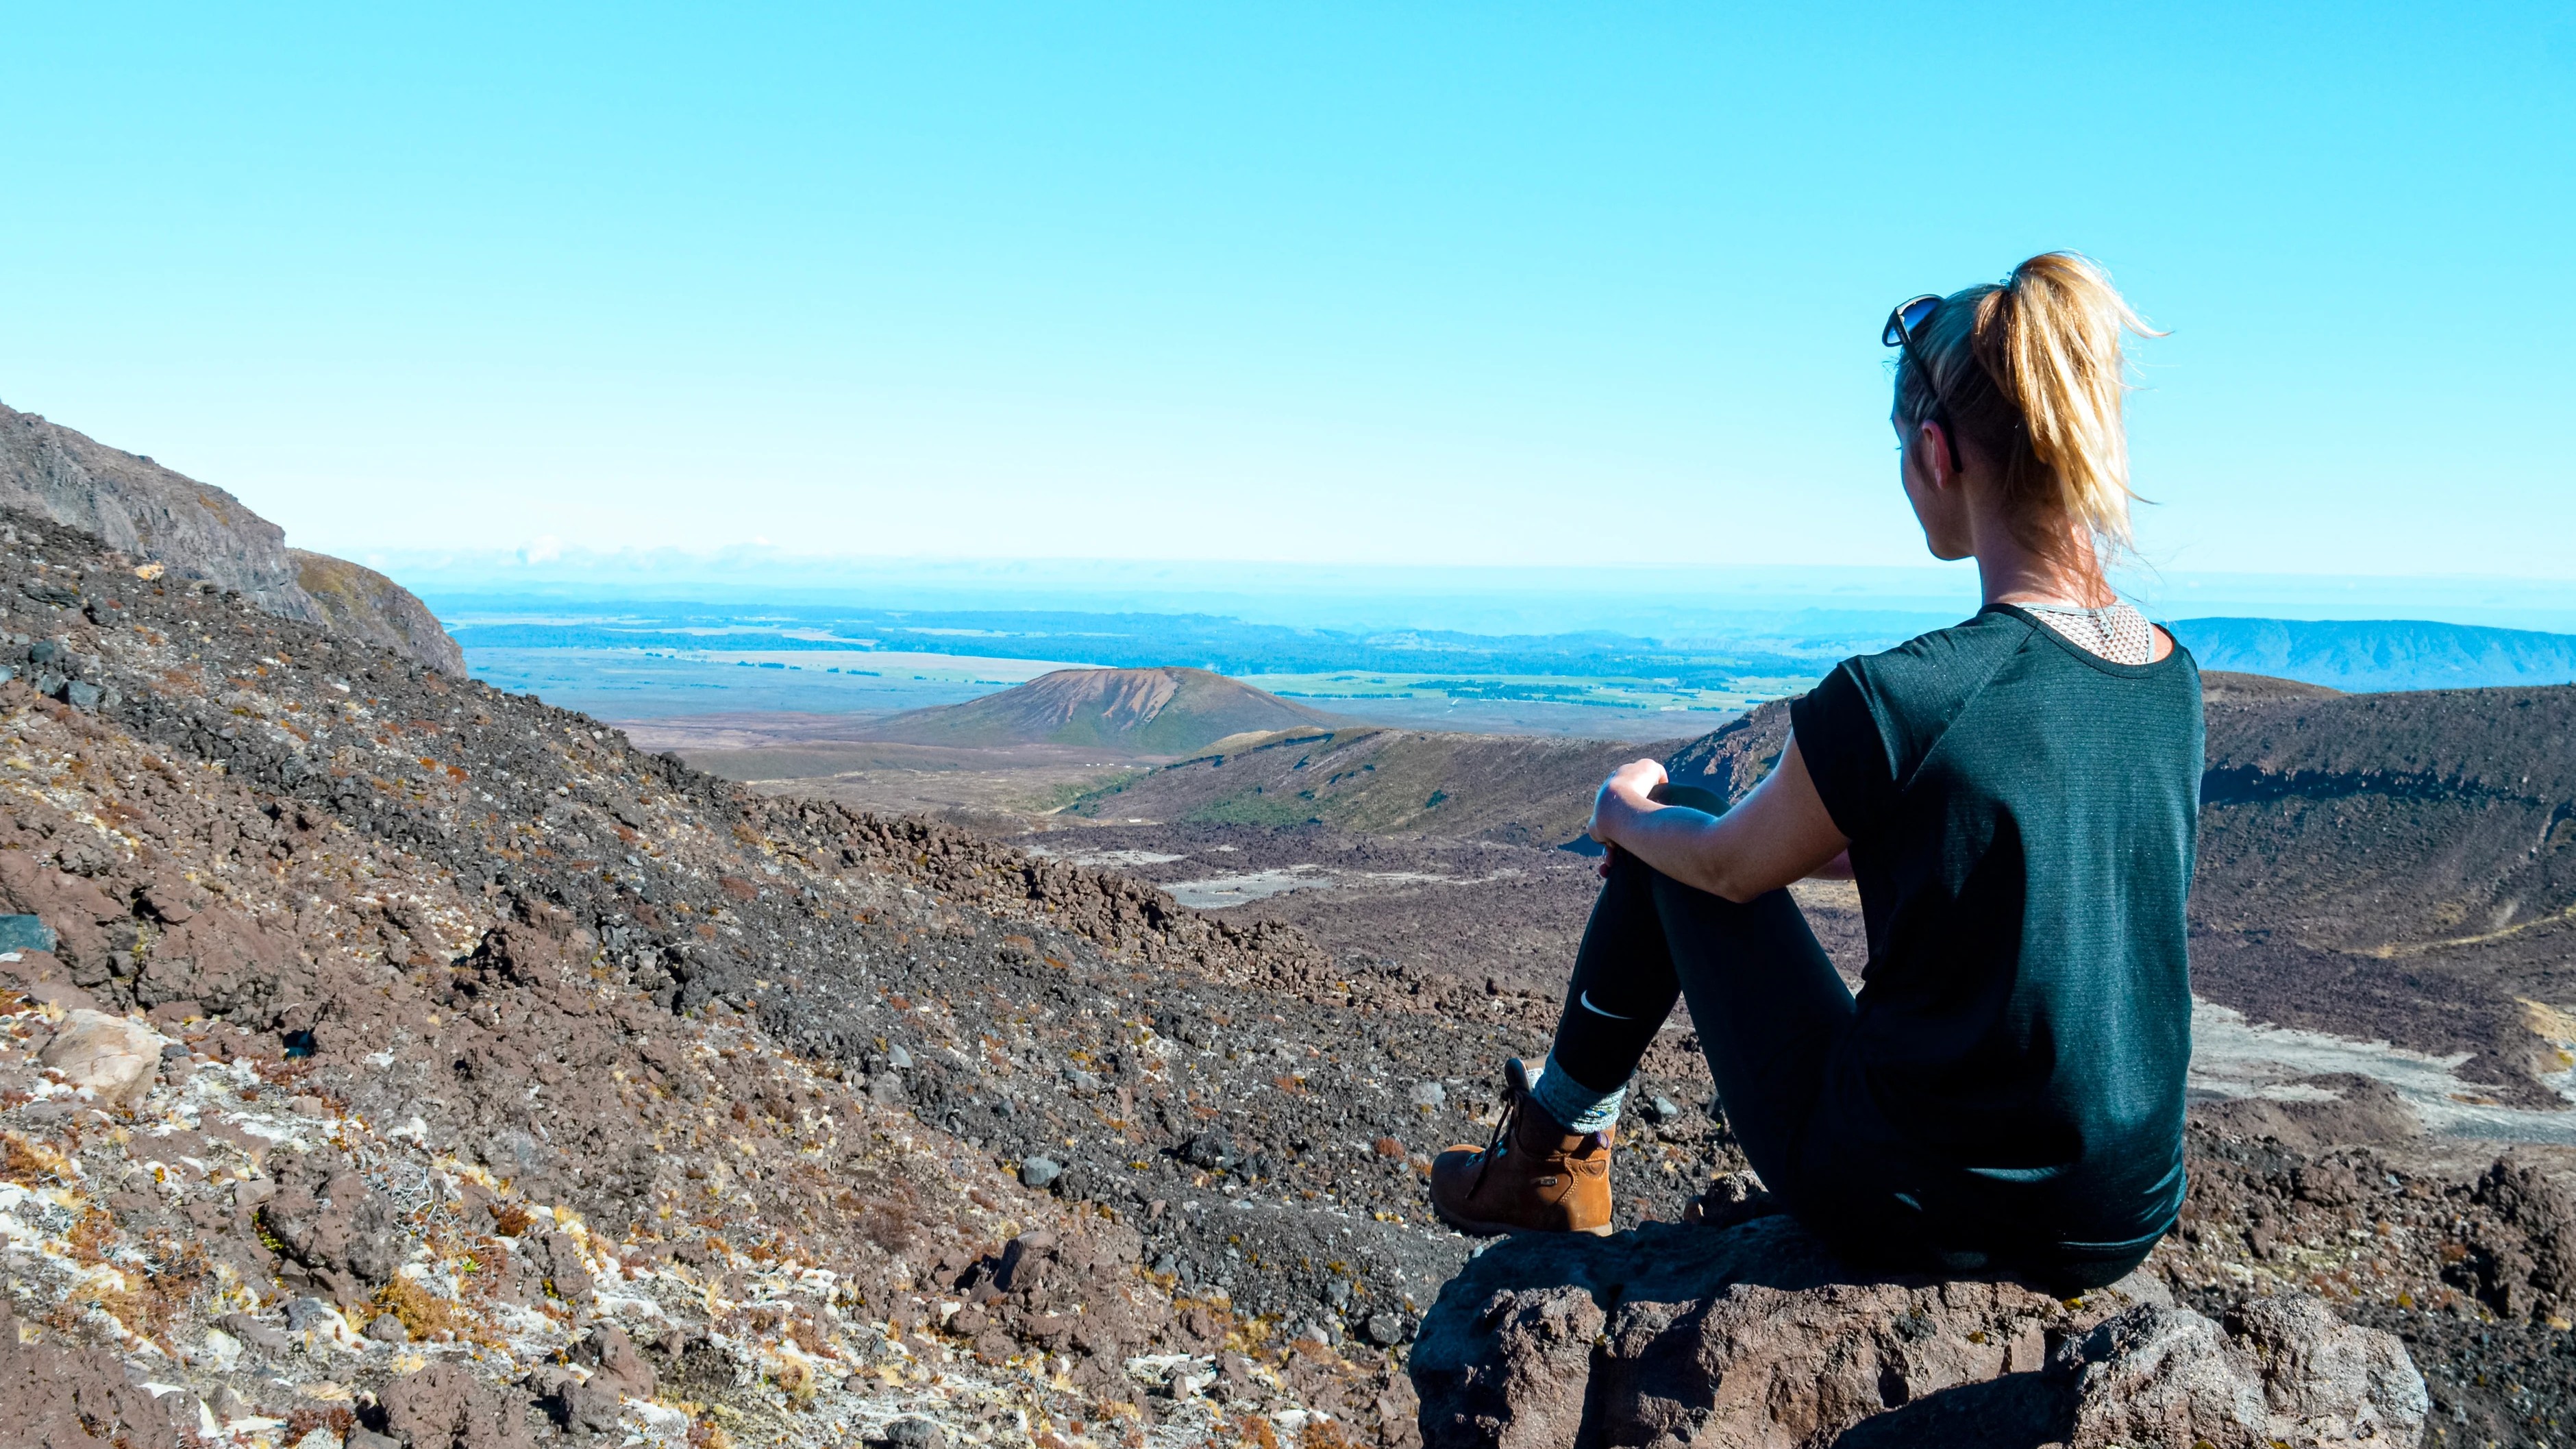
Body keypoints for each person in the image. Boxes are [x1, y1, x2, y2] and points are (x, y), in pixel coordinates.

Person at [1428, 252, 2200, 1291]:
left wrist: (1624, 816)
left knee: (1685, 816)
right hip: (2118, 1219)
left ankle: (1553, 1154)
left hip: (1921, 1202)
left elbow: (1726, 870)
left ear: (1935, 453)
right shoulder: (2167, 675)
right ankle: (1553, 1152)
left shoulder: (1904, 695)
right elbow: (2043, 862)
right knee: (1693, 835)